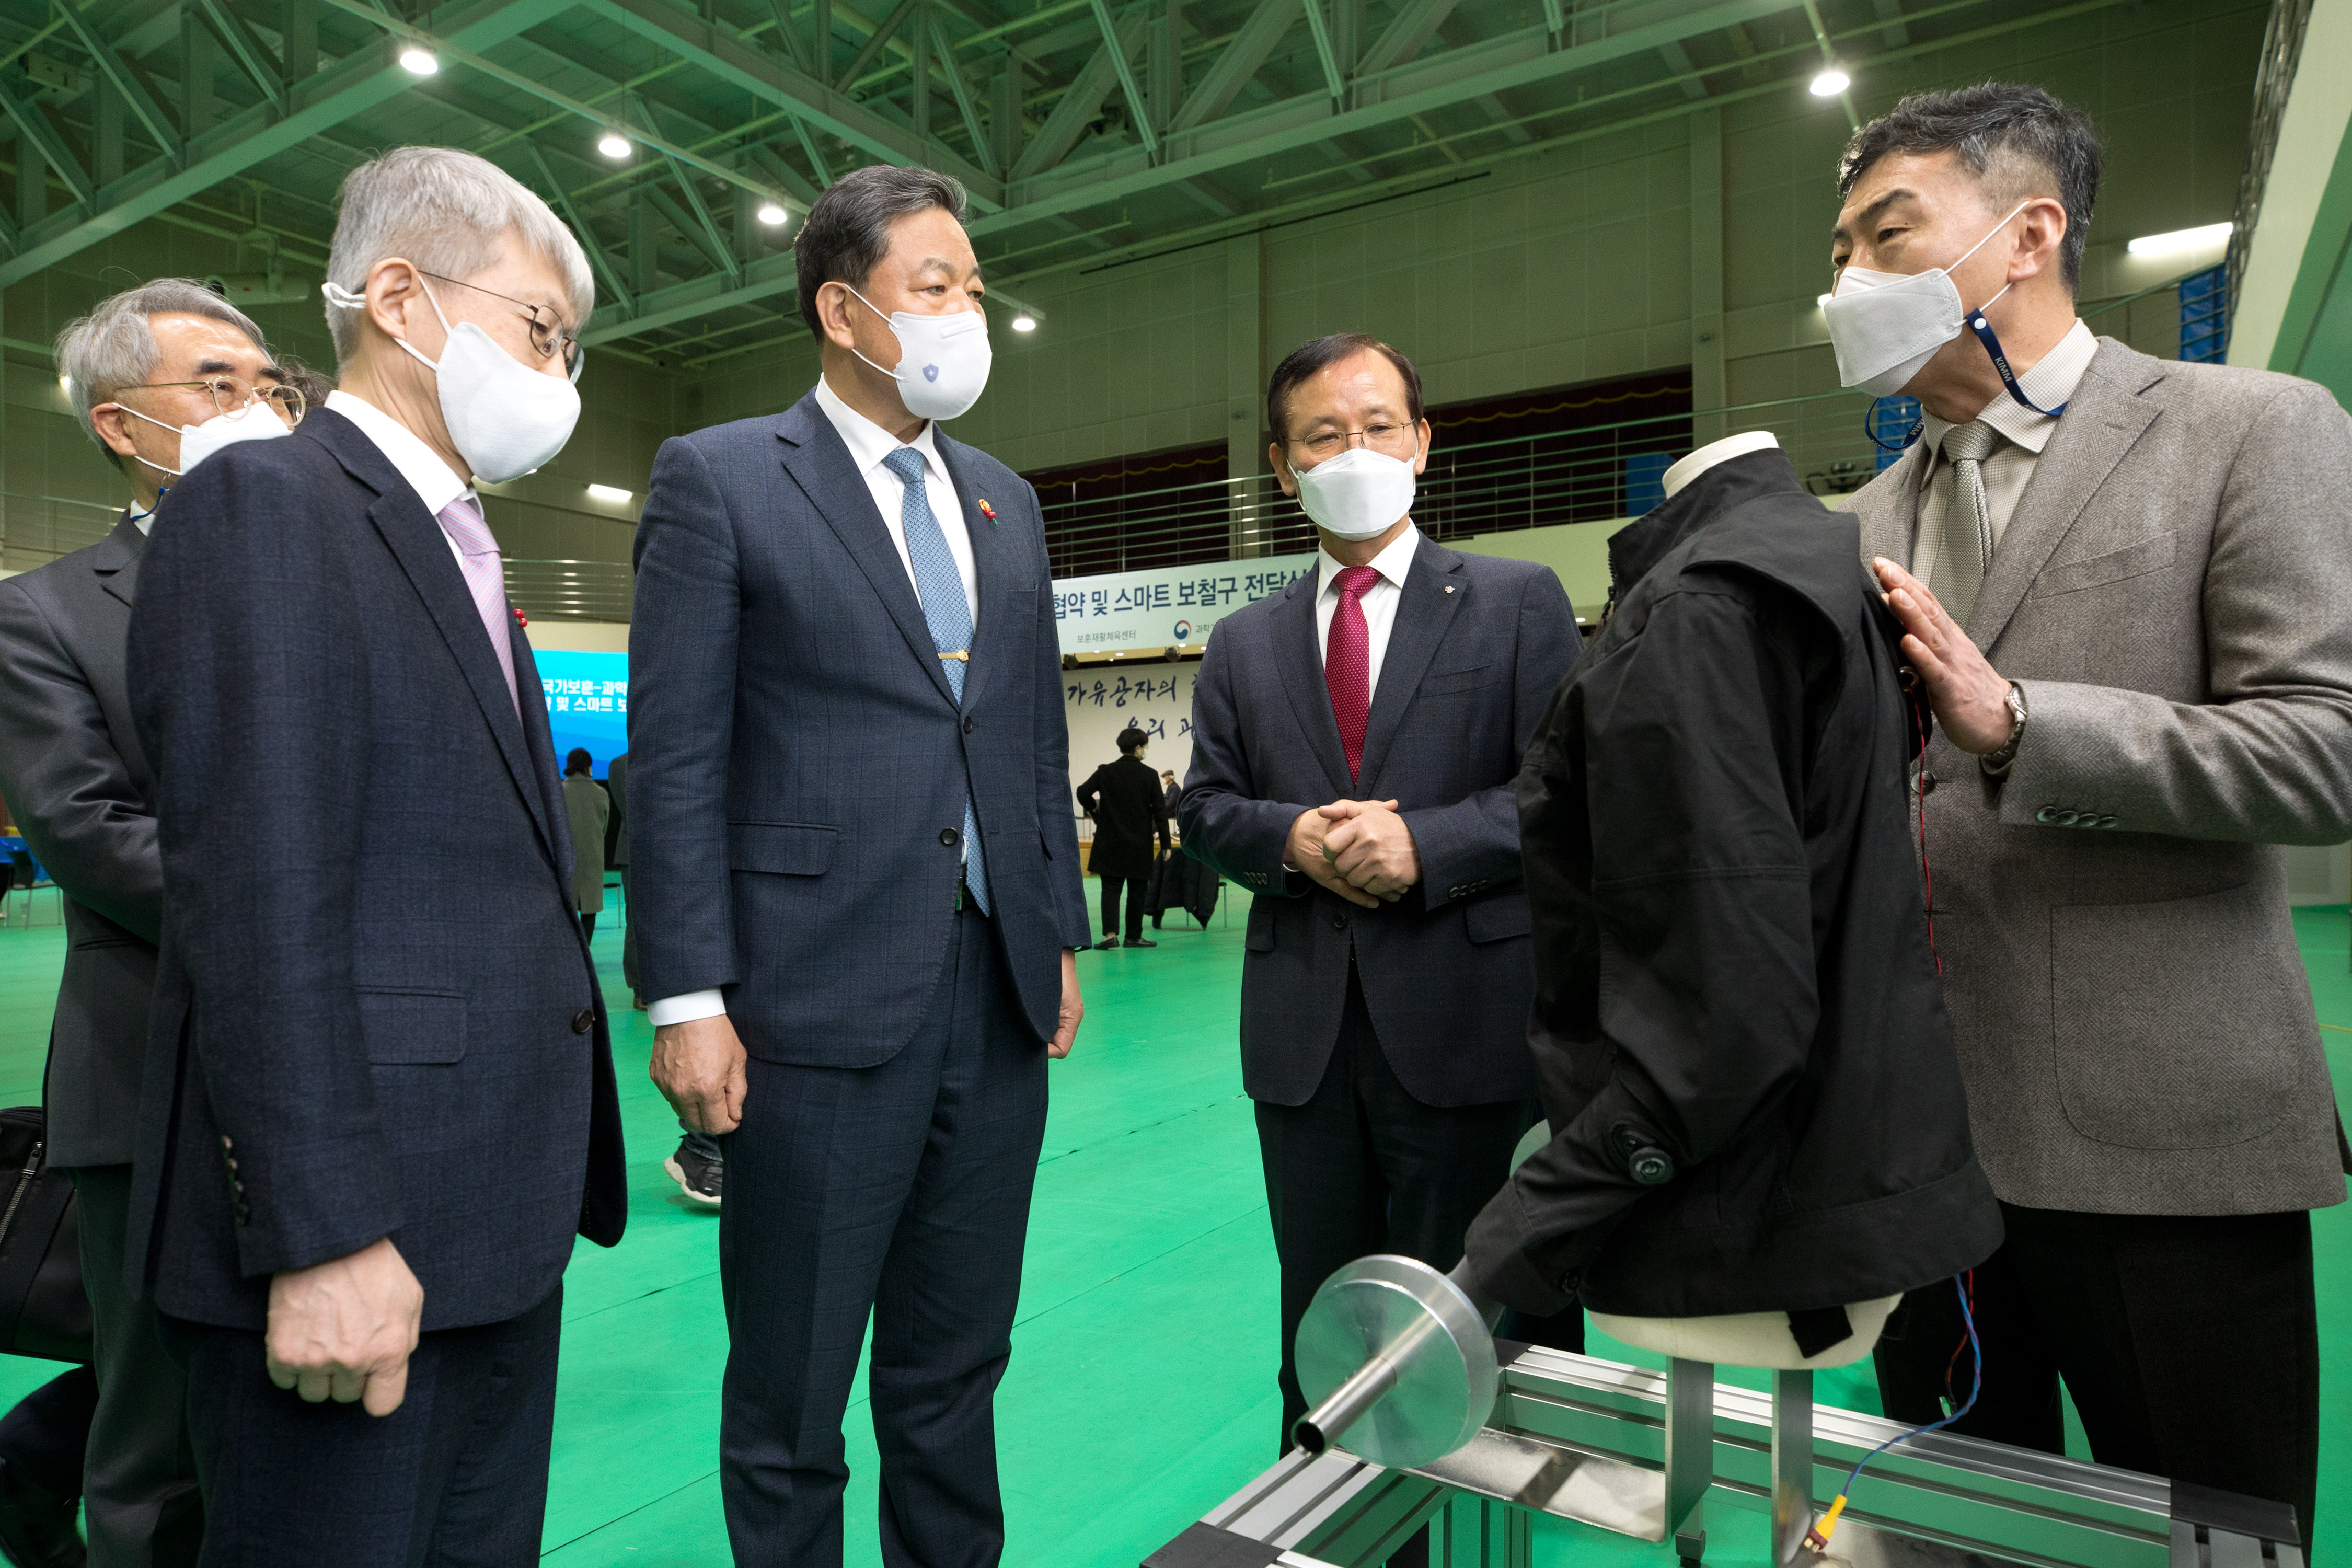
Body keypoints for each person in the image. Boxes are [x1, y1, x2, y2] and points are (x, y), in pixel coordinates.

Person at [1829, 84, 2352, 1543]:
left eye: (1887, 236)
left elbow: (2324, 750)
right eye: (1840, 250)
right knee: (1940, 1533)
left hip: (2161, 1148)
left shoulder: (2247, 432)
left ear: (2025, 236)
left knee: (2210, 1531)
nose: (1848, 285)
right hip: (1921, 1162)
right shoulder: (1855, 525)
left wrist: (2023, 726)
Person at [122, 147, 627, 1565]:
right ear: (402, 296)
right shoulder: (269, 505)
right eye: (541, 330)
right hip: (359, 1231)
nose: (560, 375)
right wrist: (325, 1232)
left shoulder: (456, 541)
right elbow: (257, 894)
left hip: (487, 1217)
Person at [630, 162, 1088, 1566]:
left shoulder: (1004, 499)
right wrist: (685, 995)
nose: (969, 311)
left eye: (974, 286)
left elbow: (1018, 737)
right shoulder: (722, 479)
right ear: (842, 308)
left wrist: (1055, 930)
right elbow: (678, 755)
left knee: (955, 1371)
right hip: (809, 1007)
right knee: (792, 1391)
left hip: (991, 997)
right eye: (933, 285)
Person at [1454, 431, 2001, 1391]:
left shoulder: (1696, 613)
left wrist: (1517, 1231)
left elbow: (1725, 1024)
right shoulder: (1822, 572)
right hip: (1837, 1160)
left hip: (1741, 1206)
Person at [1176, 333, 1585, 1549]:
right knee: (1325, 1317)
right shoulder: (1243, 641)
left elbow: (1570, 791)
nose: (1349, 450)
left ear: (1419, 439)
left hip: (1469, 1029)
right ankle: (1335, 1529)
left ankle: (1491, 1528)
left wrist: (1430, 845)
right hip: (1305, 1044)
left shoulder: (1511, 601)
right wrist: (1292, 838)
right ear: (1279, 463)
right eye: (1319, 433)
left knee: (1487, 1308)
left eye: (1373, 424)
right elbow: (1203, 806)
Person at [0, 276, 297, 1568]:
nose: (260, 406)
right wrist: (323, 919)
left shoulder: (349, 583)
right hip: (155, 1078)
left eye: (270, 383)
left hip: (366, 1073)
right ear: (122, 424)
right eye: (217, 385)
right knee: (157, 1435)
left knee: (329, 1411)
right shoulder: (47, 612)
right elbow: (91, 833)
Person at [1075, 727, 1170, 948]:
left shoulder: (1105, 771)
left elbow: (1082, 792)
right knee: (1138, 891)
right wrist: (1166, 844)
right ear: (1137, 748)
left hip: (1110, 842)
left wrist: (1094, 812)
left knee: (1110, 890)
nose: (1146, 750)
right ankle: (1133, 937)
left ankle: (1110, 936)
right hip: (1139, 843)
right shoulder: (1150, 775)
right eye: (1145, 747)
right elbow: (1160, 812)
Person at [604, 749, 641, 1008]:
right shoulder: (623, 764)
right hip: (635, 850)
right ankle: (640, 989)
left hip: (646, 849)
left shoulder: (619, 764)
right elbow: (631, 807)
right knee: (637, 922)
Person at [562, 748, 610, 944]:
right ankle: (585, 952)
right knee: (589, 910)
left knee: (567, 908)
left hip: (566, 861)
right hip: (593, 858)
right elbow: (604, 828)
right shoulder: (601, 794)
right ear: (588, 767)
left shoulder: (558, 792)